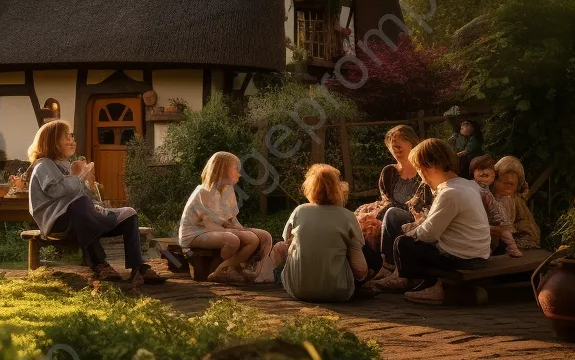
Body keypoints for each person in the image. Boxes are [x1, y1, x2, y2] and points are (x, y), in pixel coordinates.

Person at [26, 119, 165, 285]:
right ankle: (99, 264)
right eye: (67, 137)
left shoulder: (65, 166)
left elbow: (83, 195)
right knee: (82, 205)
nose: (72, 141)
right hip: (57, 222)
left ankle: (137, 268)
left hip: (82, 218)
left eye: (72, 136)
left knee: (129, 214)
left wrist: (90, 189)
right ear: (53, 142)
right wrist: (79, 176)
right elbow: (56, 191)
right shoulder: (44, 165)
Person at [387, 138, 491, 305]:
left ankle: (431, 285)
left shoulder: (449, 193)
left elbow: (428, 234)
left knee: (403, 243)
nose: (421, 177)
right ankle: (427, 283)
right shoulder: (468, 185)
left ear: (430, 165)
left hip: (463, 259)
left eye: (420, 170)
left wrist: (410, 232)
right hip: (480, 256)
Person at [269, 163, 370, 302]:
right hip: (338, 292)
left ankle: (276, 277)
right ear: (338, 188)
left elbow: (286, 241)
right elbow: (360, 271)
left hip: (297, 290)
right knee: (362, 251)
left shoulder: (300, 211)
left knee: (281, 245)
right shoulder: (347, 216)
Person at [178, 151, 275, 285]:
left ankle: (253, 271)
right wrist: (239, 232)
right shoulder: (204, 192)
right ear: (222, 169)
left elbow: (232, 219)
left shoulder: (228, 190)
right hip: (198, 232)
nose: (239, 173)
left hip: (217, 229)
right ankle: (223, 270)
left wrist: (244, 230)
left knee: (264, 236)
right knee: (233, 240)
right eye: (235, 168)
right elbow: (210, 224)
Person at [357, 125, 433, 278]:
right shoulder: (389, 172)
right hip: (389, 216)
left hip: (418, 217)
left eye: (401, 142)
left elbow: (425, 205)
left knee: (392, 213)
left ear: (413, 143)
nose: (395, 146)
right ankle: (363, 269)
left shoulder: (424, 171)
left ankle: (388, 264)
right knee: (360, 221)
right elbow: (386, 200)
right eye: (392, 144)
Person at [470, 154, 519, 256]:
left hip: (494, 220)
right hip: (479, 221)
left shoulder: (488, 192)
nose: (484, 171)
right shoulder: (472, 187)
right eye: (479, 169)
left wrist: (499, 220)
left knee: (504, 233)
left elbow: (493, 208)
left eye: (488, 170)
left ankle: (513, 249)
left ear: (494, 177)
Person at [492, 155, 541, 251]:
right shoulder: (487, 196)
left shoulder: (516, 201)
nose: (508, 187)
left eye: (511, 184)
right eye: (505, 182)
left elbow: (531, 231)